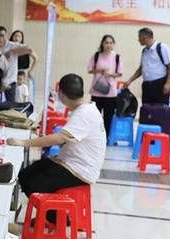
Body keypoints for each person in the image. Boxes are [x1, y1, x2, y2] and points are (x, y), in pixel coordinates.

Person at [6, 73, 106, 201]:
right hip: (73, 163)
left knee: (31, 182)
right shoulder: (87, 108)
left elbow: (59, 138)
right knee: (27, 172)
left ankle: (54, 214)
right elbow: (66, 138)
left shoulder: (83, 114)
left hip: (79, 171)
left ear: (61, 94)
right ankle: (47, 213)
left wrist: (23, 142)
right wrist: (45, 138)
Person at [124, 27, 170, 106]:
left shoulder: (162, 47)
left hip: (160, 85)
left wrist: (168, 84)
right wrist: (130, 80)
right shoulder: (144, 51)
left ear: (145, 37)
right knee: (146, 109)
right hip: (147, 86)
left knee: (160, 110)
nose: (138, 40)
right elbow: (141, 69)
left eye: (139, 37)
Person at [87, 34, 123, 133]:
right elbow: (90, 70)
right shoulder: (96, 56)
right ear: (102, 44)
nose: (108, 45)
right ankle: (94, 135)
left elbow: (120, 73)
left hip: (111, 93)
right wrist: (100, 71)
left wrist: (111, 75)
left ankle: (105, 136)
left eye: (111, 43)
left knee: (108, 117)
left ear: (113, 44)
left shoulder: (117, 57)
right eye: (106, 42)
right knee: (95, 116)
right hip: (97, 92)